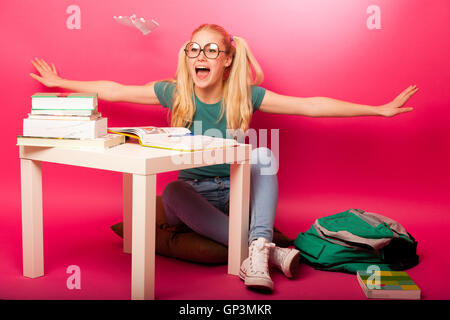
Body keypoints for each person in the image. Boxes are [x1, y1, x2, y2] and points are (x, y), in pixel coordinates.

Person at [29, 23, 418, 292]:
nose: (201, 55)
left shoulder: (244, 96)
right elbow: (114, 90)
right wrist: (60, 82)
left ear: (227, 60)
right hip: (197, 197)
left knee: (263, 153)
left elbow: (311, 106)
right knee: (173, 192)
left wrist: (379, 109)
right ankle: (264, 249)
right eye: (194, 48)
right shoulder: (174, 93)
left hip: (238, 191)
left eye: (211, 50)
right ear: (187, 57)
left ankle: (257, 247)